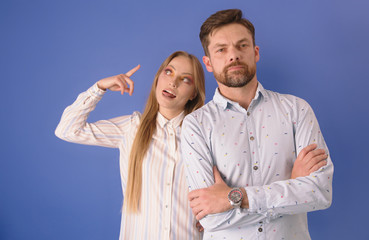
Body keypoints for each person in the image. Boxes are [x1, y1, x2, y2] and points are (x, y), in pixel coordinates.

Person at [182, 9, 333, 239]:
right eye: (221, 50)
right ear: (208, 63)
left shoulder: (297, 110)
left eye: (242, 46)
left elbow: (320, 192)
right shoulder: (196, 125)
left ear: (256, 52)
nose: (233, 55)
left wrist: (234, 198)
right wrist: (292, 187)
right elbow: (211, 218)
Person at [55, 51, 206, 240]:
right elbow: (67, 130)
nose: (173, 82)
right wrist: (99, 87)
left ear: (193, 93)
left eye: (186, 80)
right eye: (169, 72)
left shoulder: (205, 136)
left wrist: (216, 215)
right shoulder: (132, 128)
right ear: (158, 78)